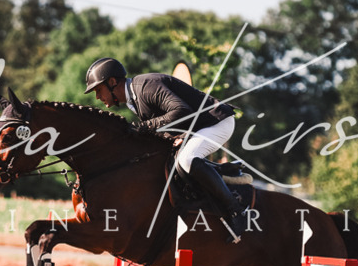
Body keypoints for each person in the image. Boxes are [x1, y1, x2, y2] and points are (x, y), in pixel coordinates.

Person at [84, 57, 248, 240]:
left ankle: (236, 212)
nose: (98, 97)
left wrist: (146, 126)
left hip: (217, 122)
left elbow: (181, 111)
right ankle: (221, 170)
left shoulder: (146, 87)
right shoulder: (134, 98)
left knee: (187, 159)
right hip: (200, 126)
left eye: (98, 90)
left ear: (112, 82)